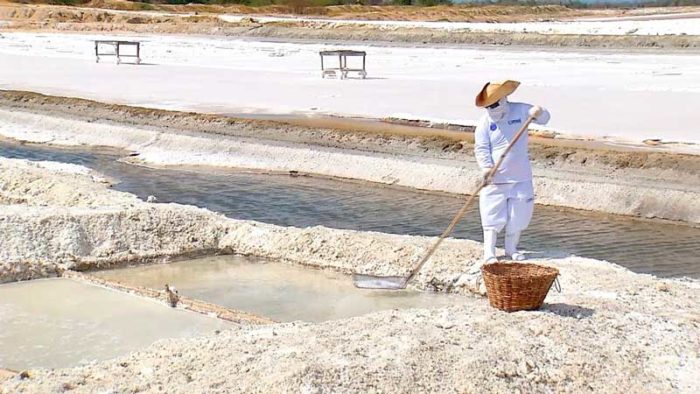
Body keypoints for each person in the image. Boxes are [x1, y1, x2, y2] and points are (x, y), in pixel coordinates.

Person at [473, 80, 550, 265]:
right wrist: (486, 168)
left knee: (519, 215)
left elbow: (544, 118)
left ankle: (511, 249)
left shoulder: (521, 110)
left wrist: (539, 112)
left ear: (504, 99)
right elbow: (481, 148)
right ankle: (489, 253)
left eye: (494, 104)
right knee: (491, 216)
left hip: (521, 176)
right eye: (488, 106)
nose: (492, 109)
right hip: (496, 179)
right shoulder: (484, 123)